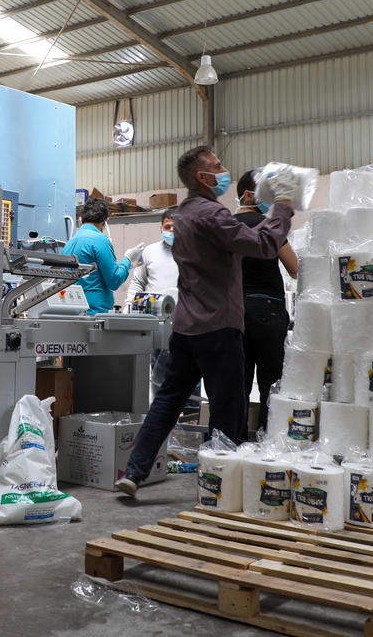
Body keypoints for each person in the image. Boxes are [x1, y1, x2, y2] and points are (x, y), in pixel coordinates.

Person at [116, 147, 298, 496]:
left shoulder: (182, 215)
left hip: (186, 325)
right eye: (218, 165)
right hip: (218, 326)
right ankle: (219, 487)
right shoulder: (213, 214)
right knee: (228, 409)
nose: (224, 169)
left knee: (167, 400)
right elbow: (263, 245)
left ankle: (134, 472)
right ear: (203, 177)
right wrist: (283, 205)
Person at [235, 169, 299, 439]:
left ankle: (231, 444)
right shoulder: (268, 227)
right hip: (267, 310)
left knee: (237, 383)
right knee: (270, 383)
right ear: (249, 195)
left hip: (233, 312)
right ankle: (267, 443)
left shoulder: (226, 226)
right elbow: (294, 268)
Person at [125, 208, 179, 398]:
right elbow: (138, 282)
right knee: (159, 375)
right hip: (157, 323)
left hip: (185, 324)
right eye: (167, 227)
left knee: (188, 373)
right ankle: (160, 407)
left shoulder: (192, 252)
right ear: (161, 228)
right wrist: (128, 306)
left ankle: (189, 412)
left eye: (175, 227)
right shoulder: (150, 252)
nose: (171, 231)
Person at [61, 198, 145, 315]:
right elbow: (114, 280)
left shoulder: (69, 243)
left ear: (82, 219)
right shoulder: (99, 240)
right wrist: (128, 259)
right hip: (95, 312)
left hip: (71, 310)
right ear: (105, 220)